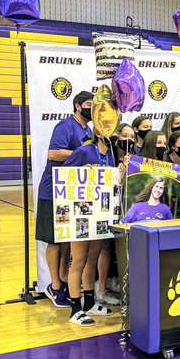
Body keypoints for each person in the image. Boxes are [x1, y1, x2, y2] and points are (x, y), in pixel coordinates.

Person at [37, 90, 93, 309]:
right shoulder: (65, 126)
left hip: (72, 193)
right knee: (53, 239)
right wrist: (80, 155)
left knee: (67, 241)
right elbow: (53, 154)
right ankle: (54, 286)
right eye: (89, 104)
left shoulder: (87, 129)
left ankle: (63, 283)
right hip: (52, 191)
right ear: (78, 106)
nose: (92, 108)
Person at [61, 129, 117, 325]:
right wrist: (79, 171)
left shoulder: (110, 155)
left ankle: (89, 301)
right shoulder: (84, 151)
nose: (116, 134)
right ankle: (75, 307)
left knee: (92, 258)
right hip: (80, 213)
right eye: (113, 131)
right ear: (100, 133)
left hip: (100, 214)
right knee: (78, 260)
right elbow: (63, 176)